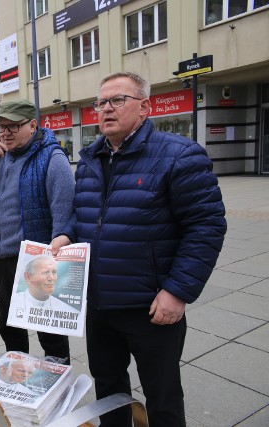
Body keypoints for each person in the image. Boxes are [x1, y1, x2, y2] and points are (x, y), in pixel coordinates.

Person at [51, 71, 227, 426]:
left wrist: (177, 292)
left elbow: (206, 227)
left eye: (117, 100)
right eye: (100, 102)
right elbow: (82, 215)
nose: (105, 109)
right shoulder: (89, 159)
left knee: (161, 395)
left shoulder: (179, 156)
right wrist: (66, 235)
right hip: (99, 303)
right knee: (110, 389)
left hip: (150, 305)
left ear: (145, 107)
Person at [0, 99, 74, 361]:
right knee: (10, 327)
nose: (5, 132)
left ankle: (58, 383)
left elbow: (64, 216)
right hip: (5, 261)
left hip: (38, 262)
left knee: (50, 334)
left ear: (32, 125)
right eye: (1, 126)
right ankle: (18, 373)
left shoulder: (52, 159)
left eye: (12, 126)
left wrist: (59, 248)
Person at [9, 256, 77, 322]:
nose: (51, 278)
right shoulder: (14, 304)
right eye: (45, 272)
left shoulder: (66, 309)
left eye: (54, 272)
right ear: (28, 277)